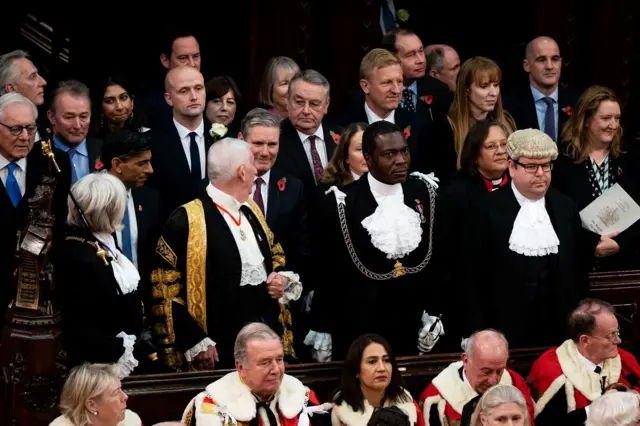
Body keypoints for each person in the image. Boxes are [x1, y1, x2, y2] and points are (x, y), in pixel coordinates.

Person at [150, 138, 302, 371]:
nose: (256, 169)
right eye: (251, 163)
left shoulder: (251, 209)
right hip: (218, 347)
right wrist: (196, 339)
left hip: (264, 342)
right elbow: (164, 289)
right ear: (242, 172)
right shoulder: (186, 219)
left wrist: (281, 277)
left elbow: (276, 254)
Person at [306, 121, 442, 361]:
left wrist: (434, 313)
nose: (400, 160)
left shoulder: (425, 192)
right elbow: (328, 270)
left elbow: (440, 261)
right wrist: (322, 325)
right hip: (359, 324)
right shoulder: (343, 203)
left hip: (413, 323)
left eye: (404, 151)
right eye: (389, 154)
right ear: (368, 159)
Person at [459, 128, 597, 347]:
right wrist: (478, 332)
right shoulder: (485, 210)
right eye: (531, 166)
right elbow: (472, 278)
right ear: (512, 167)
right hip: (505, 330)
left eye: (546, 166)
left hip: (560, 330)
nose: (541, 174)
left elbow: (578, 272)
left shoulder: (565, 207)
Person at [54, 173, 157, 376]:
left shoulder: (102, 244)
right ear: (111, 210)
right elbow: (80, 328)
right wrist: (124, 346)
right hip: (99, 368)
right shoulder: (77, 256)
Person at [181, 323, 331, 426]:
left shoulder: (303, 398)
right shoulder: (209, 406)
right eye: (265, 362)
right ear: (240, 367)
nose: (276, 369)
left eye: (279, 359)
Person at [528, 299, 640, 426]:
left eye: (617, 332)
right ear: (585, 340)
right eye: (611, 335)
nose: (618, 340)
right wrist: (598, 408)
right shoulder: (551, 371)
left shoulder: (626, 361)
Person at [419, 330, 534, 426]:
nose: (494, 381)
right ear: (466, 360)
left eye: (500, 371)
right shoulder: (436, 400)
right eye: (486, 372)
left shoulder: (514, 382)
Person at [330, 334, 425, 426]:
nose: (382, 368)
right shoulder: (341, 414)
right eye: (372, 361)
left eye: (386, 360)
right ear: (356, 371)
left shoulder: (408, 404)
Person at [49, 363, 142, 426]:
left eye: (121, 389)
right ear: (92, 405)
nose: (125, 397)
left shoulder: (131, 421)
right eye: (116, 392)